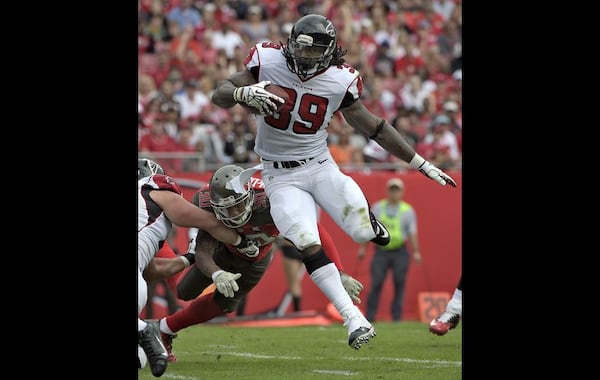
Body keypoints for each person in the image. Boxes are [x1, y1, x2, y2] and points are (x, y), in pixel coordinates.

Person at [211, 13, 456, 349]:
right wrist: (241, 94)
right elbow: (219, 93)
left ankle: (370, 224)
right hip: (278, 174)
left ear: (329, 51)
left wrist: (420, 163)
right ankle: (353, 318)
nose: (305, 55)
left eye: (314, 50)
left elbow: (374, 127)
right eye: (301, 46)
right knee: (305, 240)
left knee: (361, 232)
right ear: (291, 42)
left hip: (320, 166)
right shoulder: (267, 60)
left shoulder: (340, 80)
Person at [156, 164, 364, 361]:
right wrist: (217, 274)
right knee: (184, 292)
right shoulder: (204, 201)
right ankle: (160, 245)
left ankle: (164, 329)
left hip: (257, 259)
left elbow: (314, 231)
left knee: (224, 304)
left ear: (249, 197)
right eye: (227, 209)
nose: (235, 214)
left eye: (238, 206)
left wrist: (339, 271)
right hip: (222, 250)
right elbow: (204, 250)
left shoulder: (271, 199)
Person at [137, 158, 259, 376]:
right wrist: (241, 242)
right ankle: (145, 333)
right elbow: (207, 221)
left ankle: (144, 335)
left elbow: (150, 270)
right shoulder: (155, 190)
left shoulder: (149, 194)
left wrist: (189, 258)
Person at [357, 178, 422, 322]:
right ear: (388, 191)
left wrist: (416, 251)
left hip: (400, 251)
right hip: (381, 251)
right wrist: (363, 248)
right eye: (392, 190)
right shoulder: (378, 207)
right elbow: (370, 229)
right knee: (376, 283)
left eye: (397, 190)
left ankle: (397, 317)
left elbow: (412, 232)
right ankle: (370, 316)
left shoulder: (407, 210)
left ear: (402, 192)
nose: (394, 193)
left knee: (399, 283)